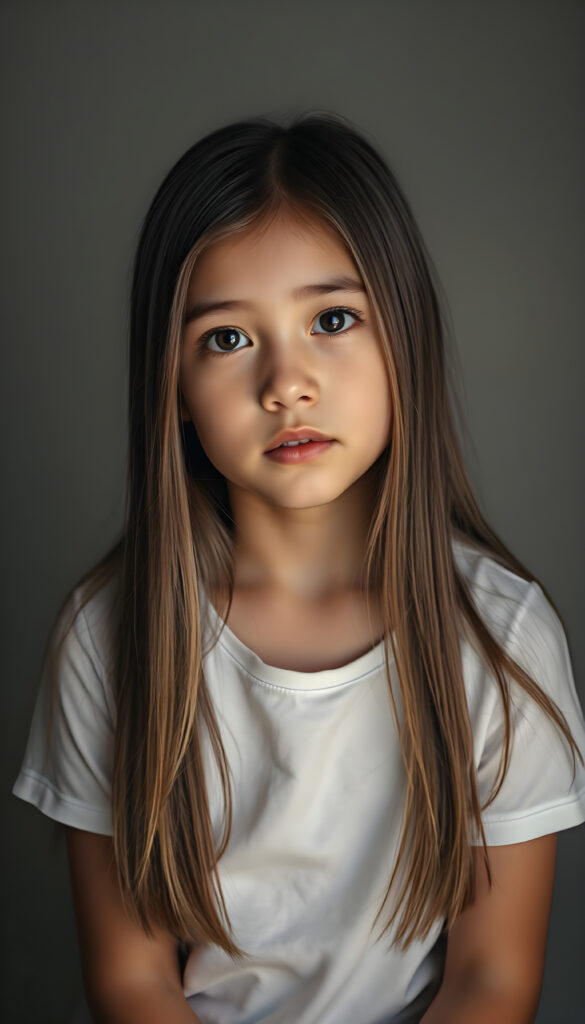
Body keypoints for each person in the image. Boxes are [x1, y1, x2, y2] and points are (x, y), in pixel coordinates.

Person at [13, 112, 585, 1024]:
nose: (286, 382)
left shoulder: (500, 636)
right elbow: (130, 980)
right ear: (175, 389)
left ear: (405, 338)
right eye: (228, 338)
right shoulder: (110, 635)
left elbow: (492, 981)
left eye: (332, 319)